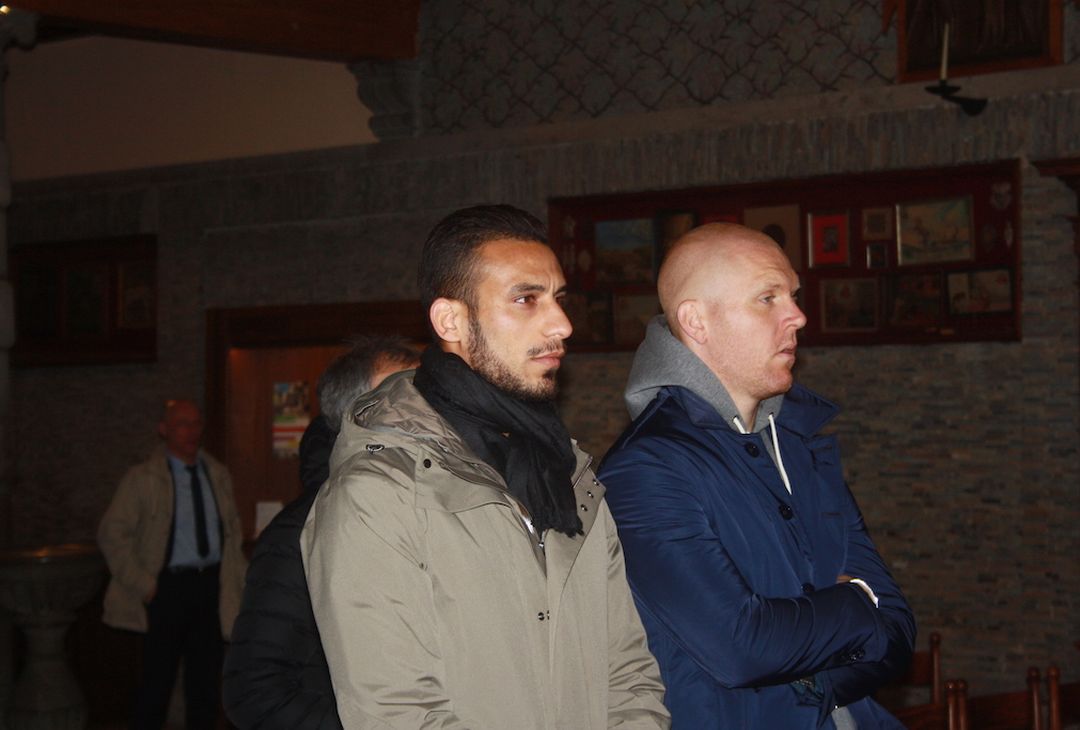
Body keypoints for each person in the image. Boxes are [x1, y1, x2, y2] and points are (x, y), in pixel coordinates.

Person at [301, 204, 670, 729]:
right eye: (526, 299)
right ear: (451, 320)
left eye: (559, 299)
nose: (562, 324)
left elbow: (628, 674)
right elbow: (398, 713)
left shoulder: (571, 479)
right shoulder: (377, 493)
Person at [598, 223, 915, 729]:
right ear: (696, 321)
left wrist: (808, 674)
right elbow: (743, 646)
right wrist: (857, 601)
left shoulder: (799, 446)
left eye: (793, 295)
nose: (798, 316)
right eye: (768, 298)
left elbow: (897, 630)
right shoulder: (646, 468)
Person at [223, 335, 420, 730]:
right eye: (401, 396)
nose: (424, 411)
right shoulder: (300, 530)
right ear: (354, 416)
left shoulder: (427, 510)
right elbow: (254, 691)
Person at [98, 398, 247, 729]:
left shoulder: (217, 474)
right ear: (164, 430)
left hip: (210, 586)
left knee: (205, 684)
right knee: (156, 683)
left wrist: (239, 584)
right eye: (182, 424)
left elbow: (232, 536)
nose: (191, 431)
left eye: (196, 423)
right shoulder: (144, 478)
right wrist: (144, 584)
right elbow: (112, 533)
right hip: (167, 588)